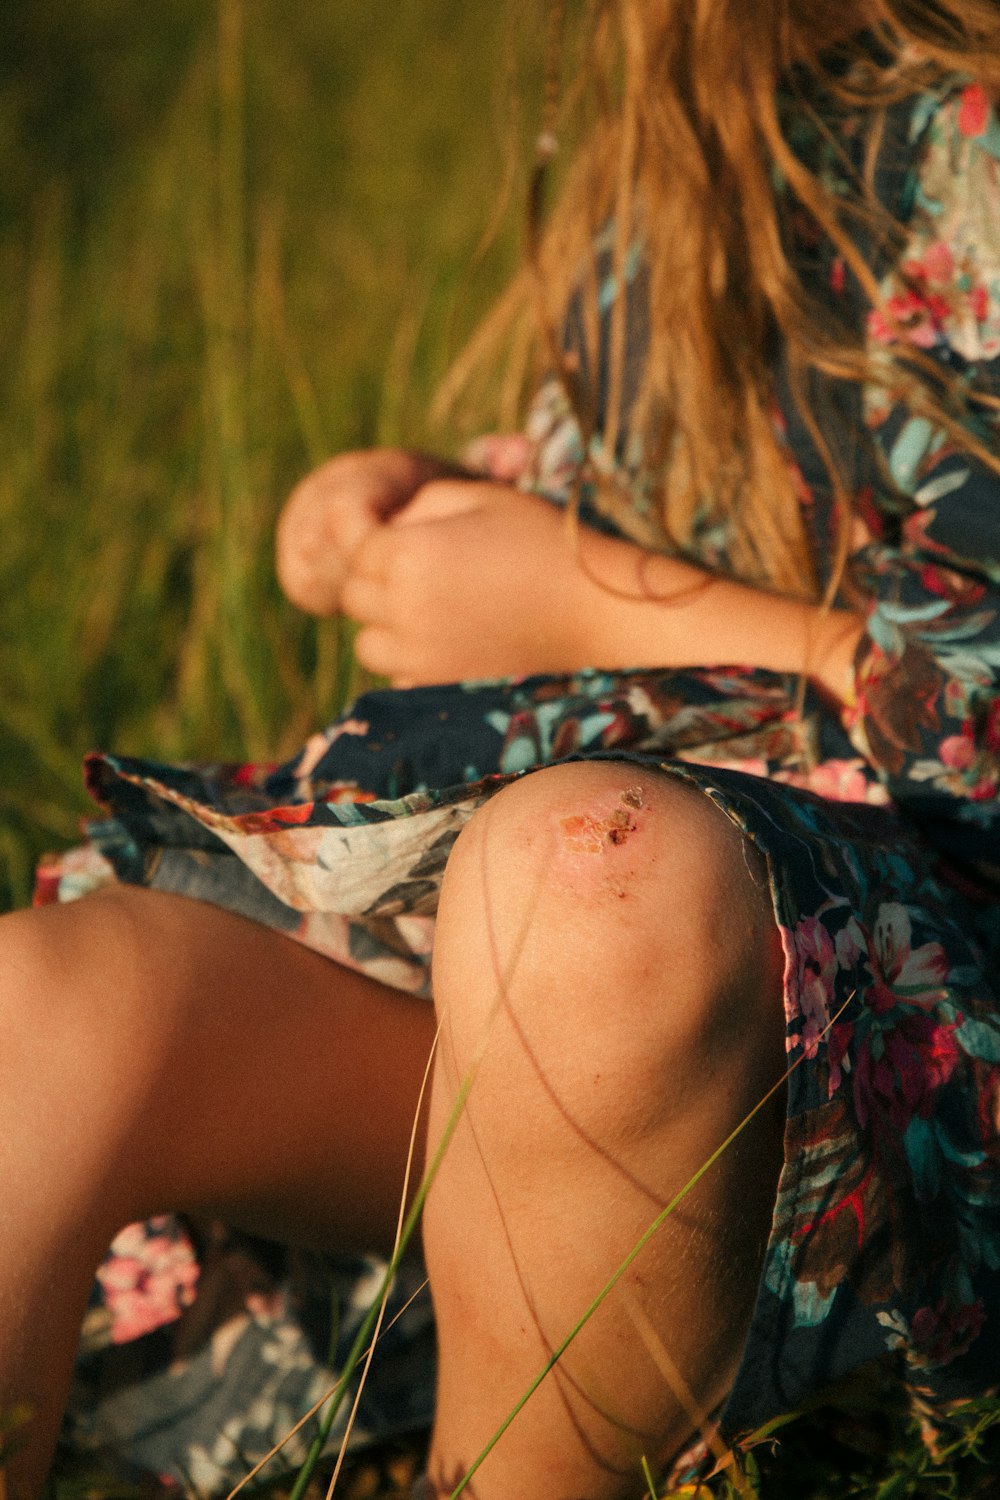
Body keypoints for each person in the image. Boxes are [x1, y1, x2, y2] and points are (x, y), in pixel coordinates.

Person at [7, 0, 1000, 1495]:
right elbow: (618, 478)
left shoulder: (968, 141)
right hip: (567, 1027)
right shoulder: (678, 125)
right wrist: (421, 508)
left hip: (870, 1050)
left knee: (587, 881)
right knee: (56, 1011)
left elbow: (960, 707)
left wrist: (577, 597)